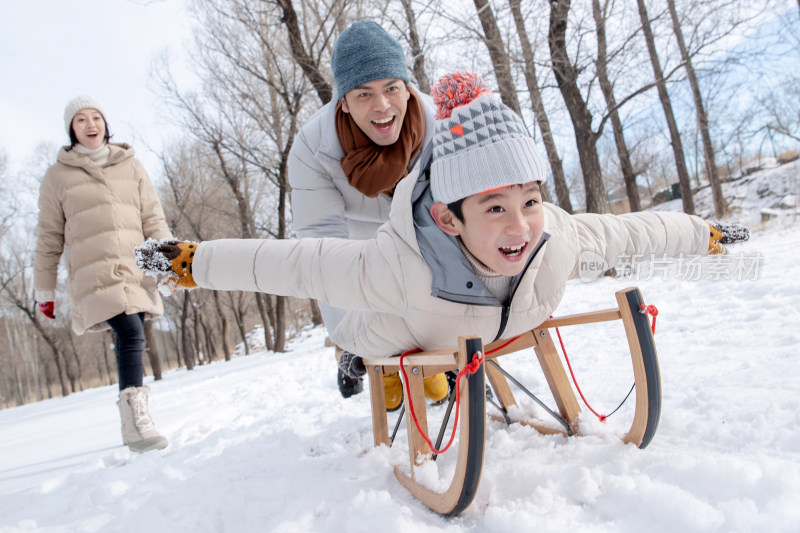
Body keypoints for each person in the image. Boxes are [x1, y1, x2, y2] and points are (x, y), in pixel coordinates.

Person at [135, 72, 748, 371]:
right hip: (409, 330)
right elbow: (298, 262)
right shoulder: (401, 264)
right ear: (448, 220)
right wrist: (192, 262)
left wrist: (715, 235)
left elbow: (639, 231)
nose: (521, 228)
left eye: (529, 202)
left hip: (490, 328)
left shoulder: (556, 239)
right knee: (366, 335)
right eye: (496, 209)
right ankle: (360, 364)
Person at [288, 20, 446, 406]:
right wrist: (350, 343)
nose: (382, 106)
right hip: (355, 246)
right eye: (364, 94)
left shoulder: (440, 126)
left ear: (407, 90)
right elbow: (321, 249)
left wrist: (458, 338)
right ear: (342, 101)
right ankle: (362, 365)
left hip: (421, 231)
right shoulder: (313, 148)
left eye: (392, 88)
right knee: (383, 374)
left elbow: (466, 221)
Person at [35, 96, 172, 453]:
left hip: (134, 268)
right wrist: (44, 290)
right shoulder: (57, 177)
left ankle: (135, 420)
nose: (89, 123)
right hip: (93, 275)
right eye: (80, 119)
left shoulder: (132, 166)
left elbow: (153, 219)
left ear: (105, 125)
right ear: (72, 130)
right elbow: (48, 237)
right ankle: (135, 422)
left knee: (134, 330)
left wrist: (175, 263)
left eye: (95, 116)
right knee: (130, 330)